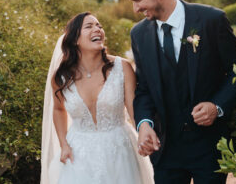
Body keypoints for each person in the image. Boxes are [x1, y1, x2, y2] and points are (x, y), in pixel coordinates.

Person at [120, 0, 236, 184]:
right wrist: (144, 124)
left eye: (138, 0)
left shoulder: (211, 20)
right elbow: (144, 89)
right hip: (165, 149)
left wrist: (216, 106)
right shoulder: (138, 34)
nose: (136, 8)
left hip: (209, 147)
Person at [40, 12, 153, 184]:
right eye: (89, 26)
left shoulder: (122, 68)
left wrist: (144, 133)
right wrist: (63, 144)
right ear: (75, 39)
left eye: (99, 26)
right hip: (78, 154)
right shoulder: (61, 77)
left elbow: (133, 109)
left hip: (119, 151)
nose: (98, 29)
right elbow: (58, 108)